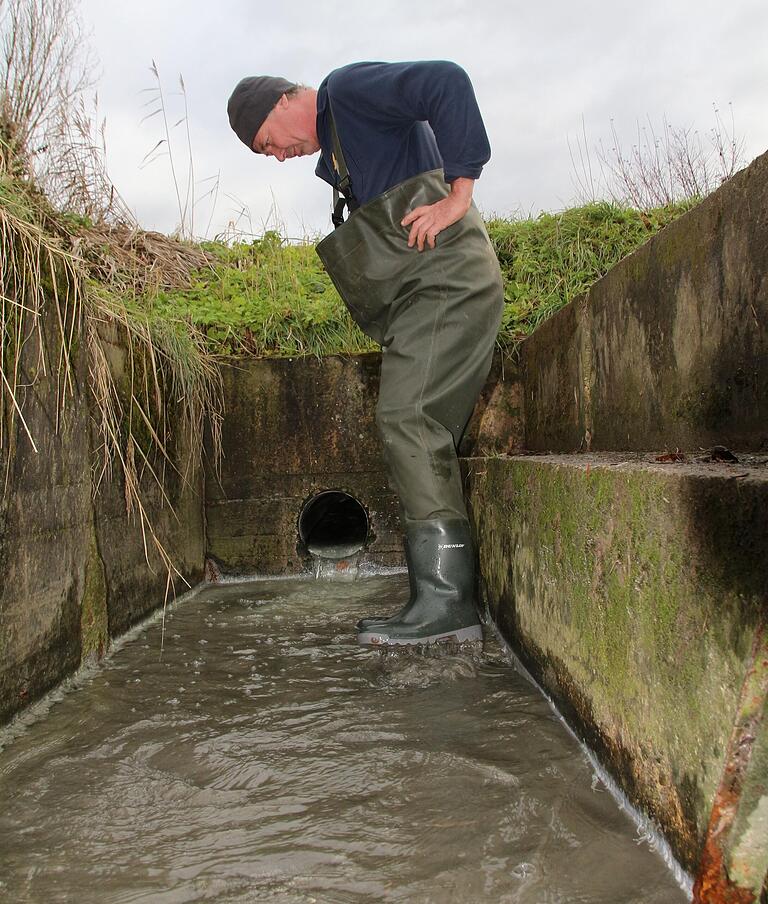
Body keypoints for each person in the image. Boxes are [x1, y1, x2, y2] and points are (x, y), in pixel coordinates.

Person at [227, 61, 504, 648]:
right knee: (415, 424)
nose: (277, 156)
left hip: (447, 286)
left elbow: (448, 81)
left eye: (268, 143)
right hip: (423, 299)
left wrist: (459, 195)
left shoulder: (348, 93)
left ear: (279, 103)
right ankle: (436, 596)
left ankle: (447, 605)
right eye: (266, 155)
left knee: (410, 418)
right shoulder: (342, 154)